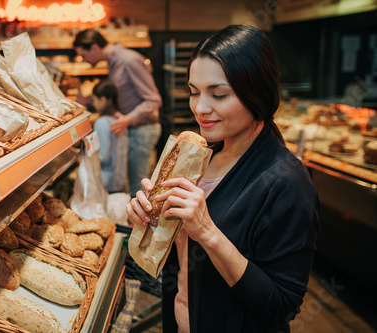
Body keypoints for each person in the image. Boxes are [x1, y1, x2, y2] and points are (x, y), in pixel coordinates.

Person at [126, 25, 319, 332]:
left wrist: (207, 232)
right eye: (193, 91)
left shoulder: (287, 183)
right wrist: (149, 217)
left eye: (218, 94)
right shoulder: (201, 156)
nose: (200, 108)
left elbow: (280, 304)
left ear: (257, 92)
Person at [73, 29, 162, 197]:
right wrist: (89, 101)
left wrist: (127, 120)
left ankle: (141, 222)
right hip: (133, 128)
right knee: (130, 184)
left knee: (138, 184)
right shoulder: (114, 63)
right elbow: (122, 96)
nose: (83, 60)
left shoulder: (129, 60)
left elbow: (153, 99)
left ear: (94, 48)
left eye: (83, 55)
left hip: (143, 129)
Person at [91, 79, 128, 193]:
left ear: (102, 100)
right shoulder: (120, 120)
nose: (93, 103)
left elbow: (103, 158)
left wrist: (85, 156)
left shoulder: (101, 123)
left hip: (107, 183)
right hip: (120, 180)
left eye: (94, 100)